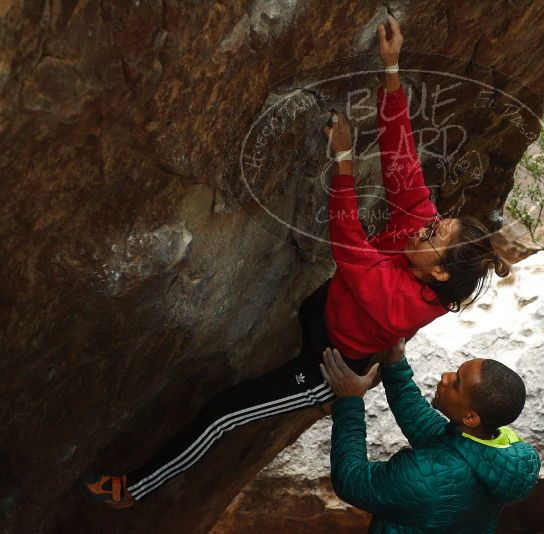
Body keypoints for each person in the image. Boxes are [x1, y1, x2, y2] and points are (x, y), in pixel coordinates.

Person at [82, 15, 510, 507]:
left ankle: (135, 488)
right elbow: (401, 153)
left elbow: (349, 243)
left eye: (435, 233)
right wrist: (391, 68)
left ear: (437, 271)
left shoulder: (403, 307)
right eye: (438, 219)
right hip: (324, 309)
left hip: (327, 363)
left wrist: (344, 161)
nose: (426, 223)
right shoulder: (419, 223)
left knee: (224, 412)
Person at [321, 340, 540, 532]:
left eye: (456, 384)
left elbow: (351, 480)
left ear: (471, 417)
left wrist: (349, 401)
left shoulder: (427, 476)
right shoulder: (496, 453)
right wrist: (394, 365)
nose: (445, 377)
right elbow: (424, 423)